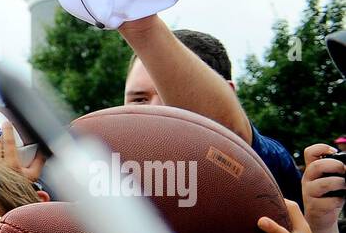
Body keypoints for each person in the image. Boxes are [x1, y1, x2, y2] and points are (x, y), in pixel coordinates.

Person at [120, 21, 301, 205]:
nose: (154, 113)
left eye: (173, 97)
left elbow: (235, 136)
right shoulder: (105, 173)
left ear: (227, 95)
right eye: (139, 99)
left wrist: (142, 24)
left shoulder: (270, 161)